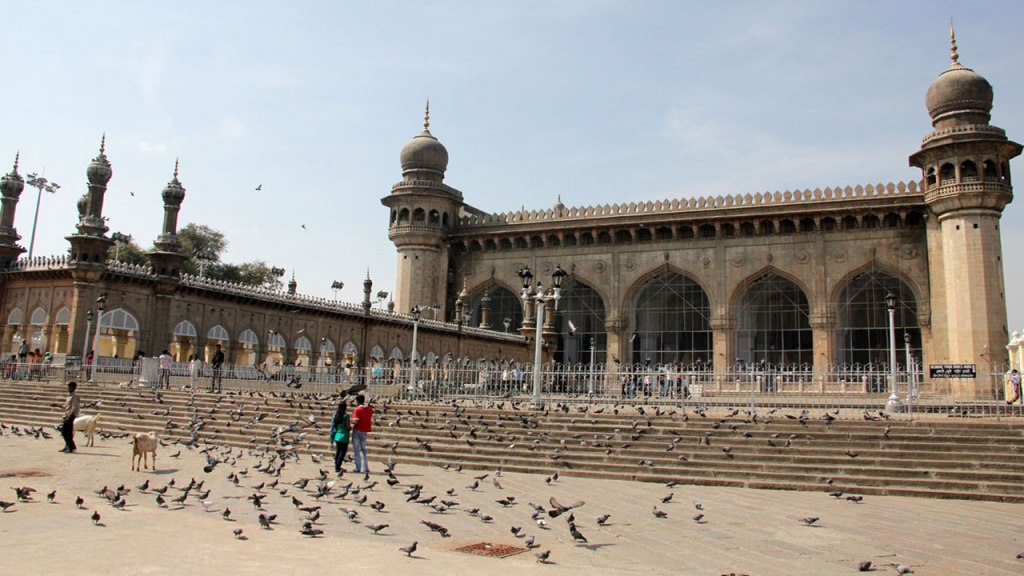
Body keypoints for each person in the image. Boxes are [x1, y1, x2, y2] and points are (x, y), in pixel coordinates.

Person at [52, 381, 80, 453]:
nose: (68, 388)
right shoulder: (69, 395)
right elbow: (67, 407)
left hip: (70, 416)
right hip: (67, 415)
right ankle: (69, 447)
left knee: (65, 432)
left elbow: (74, 408)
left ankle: (71, 447)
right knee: (67, 432)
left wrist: (69, 417)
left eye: (69, 387)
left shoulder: (75, 396)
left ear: (73, 388)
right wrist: (58, 405)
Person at [351, 394, 373, 480]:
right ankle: (365, 468)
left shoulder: (357, 410)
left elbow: (356, 421)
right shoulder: (369, 409)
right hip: (365, 430)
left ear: (357, 401)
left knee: (357, 449)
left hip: (357, 430)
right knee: (363, 449)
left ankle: (358, 467)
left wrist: (351, 421)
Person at [329, 401, 351, 475]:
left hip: (337, 435)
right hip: (344, 435)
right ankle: (338, 467)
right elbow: (348, 426)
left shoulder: (336, 415)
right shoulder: (346, 416)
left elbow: (334, 426)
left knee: (338, 451)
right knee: (342, 452)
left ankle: (336, 465)